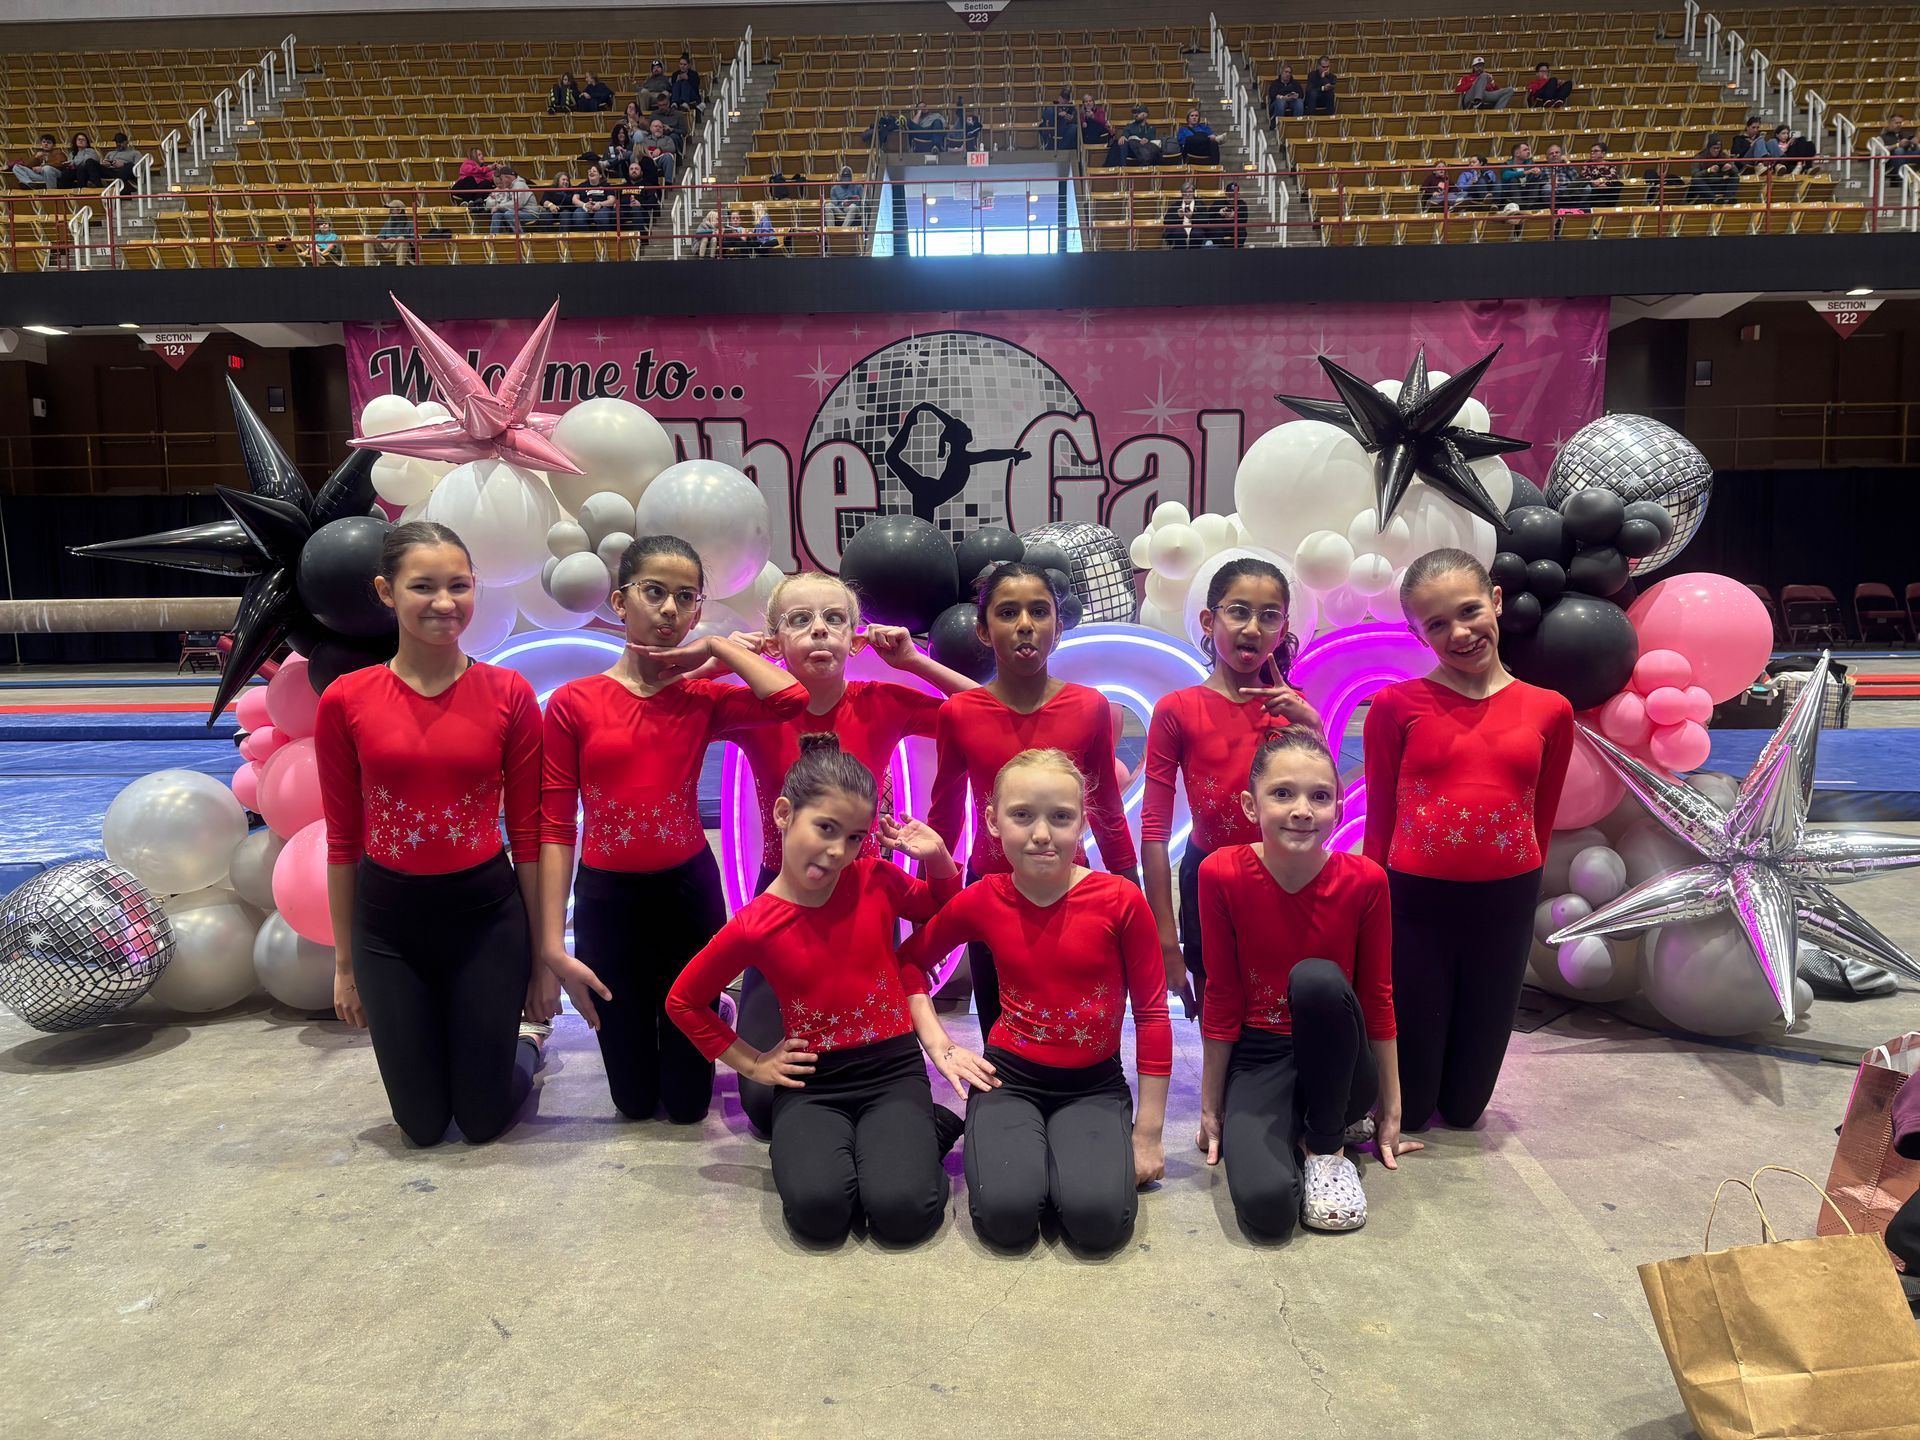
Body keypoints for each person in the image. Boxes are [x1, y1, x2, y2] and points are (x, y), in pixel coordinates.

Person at [667, 739, 989, 1245]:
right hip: (814, 1082)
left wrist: (941, 860)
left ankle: (928, 1126)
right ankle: (834, 1150)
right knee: (819, 1215)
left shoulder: (873, 879)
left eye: (856, 837)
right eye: (826, 829)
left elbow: (939, 912)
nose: (839, 851)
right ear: (783, 814)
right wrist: (752, 1064)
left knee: (905, 1214)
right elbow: (683, 1002)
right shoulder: (755, 924)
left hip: (891, 1069)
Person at [538, 534, 807, 1127]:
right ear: (619, 600)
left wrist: (715, 648)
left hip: (688, 893)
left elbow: (790, 699)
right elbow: (555, 826)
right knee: (632, 1104)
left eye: (686, 599)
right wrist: (553, 945)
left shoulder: (702, 698)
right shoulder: (573, 703)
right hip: (608, 900)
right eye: (654, 592)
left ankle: (713, 1015)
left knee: (687, 1108)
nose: (668, 610)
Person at [722, 570, 980, 1140]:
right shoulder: (748, 708)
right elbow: (659, 696)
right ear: (774, 639)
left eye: (834, 619)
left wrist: (912, 661)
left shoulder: (881, 701)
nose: (819, 631)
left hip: (867, 902)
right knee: (764, 1108)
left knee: (862, 1065)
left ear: (853, 635)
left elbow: (987, 711)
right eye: (800, 620)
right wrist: (720, 660)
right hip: (782, 900)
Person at [316, 521, 548, 1147]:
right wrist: (344, 964)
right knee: (420, 1127)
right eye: (423, 586)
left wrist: (541, 957)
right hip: (389, 928)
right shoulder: (346, 699)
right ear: (386, 592)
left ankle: (523, 1056)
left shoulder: (509, 693)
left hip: (485, 921)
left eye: (459, 586)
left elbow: (527, 837)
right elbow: (342, 841)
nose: (445, 604)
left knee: (480, 1121)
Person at [902, 749, 1170, 1254]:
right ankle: (991, 1136)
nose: (1042, 834)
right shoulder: (983, 898)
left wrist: (1148, 1135)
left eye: (1060, 817)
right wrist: (941, 1045)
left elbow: (1153, 1014)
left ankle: (1054, 1158)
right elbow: (908, 964)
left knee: (1098, 1223)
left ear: (1082, 823)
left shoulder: (1119, 900)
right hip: (1010, 1079)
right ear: (994, 822)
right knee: (1006, 1219)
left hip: (1094, 1085)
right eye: (1023, 815)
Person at [1363, 548, 1572, 1133]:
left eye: (1469, 610)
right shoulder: (1395, 705)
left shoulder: (1549, 710)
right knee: (1415, 1106)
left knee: (1464, 1109)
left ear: (1497, 602)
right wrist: (1370, 915)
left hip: (1503, 909)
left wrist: (1523, 890)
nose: (1459, 632)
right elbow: (1379, 821)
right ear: (1417, 632)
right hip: (1414, 908)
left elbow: (1543, 817)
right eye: (1436, 623)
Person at [1198, 728, 1420, 1237]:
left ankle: (1327, 1146)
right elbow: (1223, 994)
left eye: (1319, 796)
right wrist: (1213, 1108)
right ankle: (1302, 1130)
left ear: (1338, 808)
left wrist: (1392, 1107)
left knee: (1316, 980)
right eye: (1282, 794)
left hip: (1344, 1060)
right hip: (1262, 1056)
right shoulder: (1220, 874)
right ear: (1250, 807)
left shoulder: (1365, 880)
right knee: (1266, 1210)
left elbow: (1377, 998)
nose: (1302, 809)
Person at [929, 562, 1139, 1039]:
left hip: (1072, 891)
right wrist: (935, 908)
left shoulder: (1089, 707)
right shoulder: (960, 713)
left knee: (1074, 1022)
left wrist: (1132, 898)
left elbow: (1105, 808)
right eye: (1008, 612)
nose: (1025, 624)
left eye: (1038, 611)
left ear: (1057, 628)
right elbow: (944, 820)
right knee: (999, 1034)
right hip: (989, 895)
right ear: (984, 631)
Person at [1144, 556, 1320, 1029]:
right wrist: (1165, 937)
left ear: (1282, 630)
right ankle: (1218, 1104)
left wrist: (1314, 728)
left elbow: (1329, 814)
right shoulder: (1177, 710)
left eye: (1269, 616)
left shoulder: (1295, 712)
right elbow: (1155, 831)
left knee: (1283, 1020)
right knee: (1218, 1022)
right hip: (1207, 882)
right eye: (1238, 611)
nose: (1252, 627)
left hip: (1287, 879)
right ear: (1209, 619)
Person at [884, 402, 1030, 522]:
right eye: (966, 429)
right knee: (891, 457)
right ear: (960, 438)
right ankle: (909, 424)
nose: (969, 429)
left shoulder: (959, 453)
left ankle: (909, 424)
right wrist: (1013, 453)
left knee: (891, 457)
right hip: (929, 491)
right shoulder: (961, 457)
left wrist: (928, 407)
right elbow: (989, 454)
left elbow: (952, 425)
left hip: (930, 492)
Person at [485, 167, 539, 234]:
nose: (501, 182)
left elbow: (516, 205)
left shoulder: (520, 185)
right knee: (497, 214)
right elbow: (502, 203)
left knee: (509, 214)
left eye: (501, 179)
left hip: (529, 213)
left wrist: (498, 206)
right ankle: (493, 238)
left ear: (507, 177)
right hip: (516, 211)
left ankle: (520, 237)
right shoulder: (509, 187)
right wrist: (497, 203)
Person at [1688, 136, 1739, 204]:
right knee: (1695, 180)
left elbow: (1736, 171)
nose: (1716, 150)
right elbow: (1695, 175)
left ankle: (1728, 198)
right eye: (1714, 148)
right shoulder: (1699, 157)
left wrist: (1730, 167)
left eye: (1718, 148)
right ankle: (1714, 199)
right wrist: (1708, 170)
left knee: (1735, 176)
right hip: (1706, 185)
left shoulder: (1724, 156)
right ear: (1709, 147)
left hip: (1719, 183)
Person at [1500, 142, 1547, 208]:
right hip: (1512, 194)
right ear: (1517, 153)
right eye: (1525, 150)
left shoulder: (1530, 163)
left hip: (1527, 192)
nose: (1528, 152)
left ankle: (1532, 205)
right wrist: (1524, 173)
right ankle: (1519, 206)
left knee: (1535, 178)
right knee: (1513, 180)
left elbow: (1541, 176)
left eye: (1528, 150)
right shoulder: (1507, 164)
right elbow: (1505, 175)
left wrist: (1538, 173)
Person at [368, 199, 415, 264]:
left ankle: (400, 269)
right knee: (369, 240)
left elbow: (414, 240)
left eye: (392, 210)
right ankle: (369, 268)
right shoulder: (387, 223)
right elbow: (379, 238)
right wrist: (387, 240)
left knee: (401, 239)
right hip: (387, 245)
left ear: (399, 210)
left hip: (401, 247)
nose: (390, 212)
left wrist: (397, 239)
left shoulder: (409, 224)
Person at [1162, 178, 1205, 248]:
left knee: (1196, 233)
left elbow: (1205, 220)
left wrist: (1193, 216)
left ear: (1193, 193)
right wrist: (1177, 216)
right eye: (1185, 192)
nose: (1188, 194)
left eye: (1190, 192)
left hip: (1195, 228)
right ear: (1182, 193)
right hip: (1180, 228)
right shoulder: (1175, 205)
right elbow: (1166, 221)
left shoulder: (1200, 204)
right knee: (1179, 233)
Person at [1209, 180, 1250, 247]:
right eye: (1230, 195)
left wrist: (1235, 215)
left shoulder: (1242, 204)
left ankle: (1238, 250)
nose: (1232, 197)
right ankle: (1221, 250)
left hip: (1234, 227)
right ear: (1226, 193)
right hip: (1221, 226)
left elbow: (1244, 221)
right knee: (1215, 231)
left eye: (1234, 195)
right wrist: (1219, 213)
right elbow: (1210, 216)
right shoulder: (1218, 203)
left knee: (1242, 232)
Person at [642, 120, 677, 185]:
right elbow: (640, 150)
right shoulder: (645, 139)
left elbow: (672, 148)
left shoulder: (668, 139)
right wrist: (647, 152)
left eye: (660, 127)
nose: (658, 128)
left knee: (668, 157)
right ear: (651, 128)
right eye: (656, 126)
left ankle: (668, 183)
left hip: (661, 159)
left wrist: (660, 149)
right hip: (649, 158)